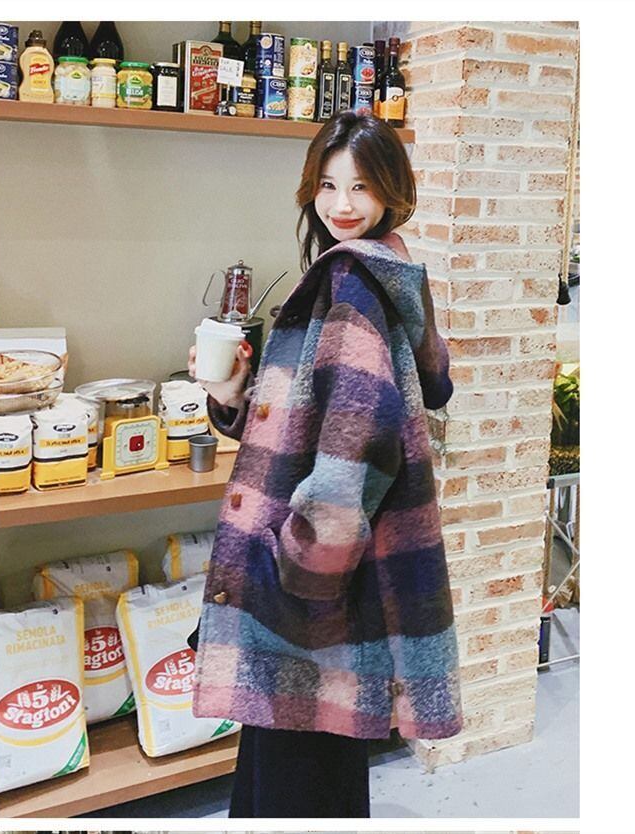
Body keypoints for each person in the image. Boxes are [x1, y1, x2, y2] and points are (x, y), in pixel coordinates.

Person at [187, 111, 463, 818]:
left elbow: (355, 448)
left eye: (362, 186)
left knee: (293, 789)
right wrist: (234, 395)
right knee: (309, 772)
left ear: (393, 192)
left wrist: (295, 572)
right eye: (329, 184)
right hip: (341, 582)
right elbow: (314, 422)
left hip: (311, 591)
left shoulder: (352, 283)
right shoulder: (385, 271)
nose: (342, 204)